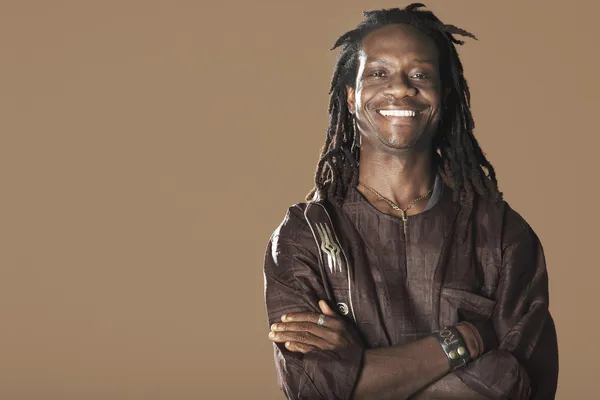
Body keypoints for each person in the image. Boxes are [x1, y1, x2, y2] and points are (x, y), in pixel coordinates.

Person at [263, 4, 558, 399]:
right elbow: (312, 389)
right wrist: (464, 340)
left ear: (445, 95)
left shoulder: (501, 233)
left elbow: (517, 384)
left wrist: (356, 374)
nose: (401, 87)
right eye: (379, 73)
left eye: (420, 74)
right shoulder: (305, 237)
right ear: (351, 97)